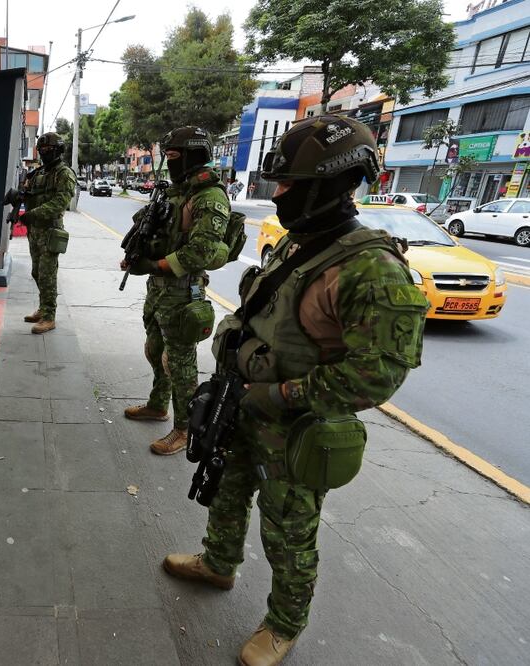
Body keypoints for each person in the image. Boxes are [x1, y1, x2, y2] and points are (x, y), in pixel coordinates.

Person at [162, 115, 428, 665]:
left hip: (298, 425)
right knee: (225, 489)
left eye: (289, 186)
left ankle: (284, 624)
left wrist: (281, 396)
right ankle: (218, 563)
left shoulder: (371, 269)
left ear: (330, 185)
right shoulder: (300, 243)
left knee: (288, 531)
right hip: (245, 401)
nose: (277, 194)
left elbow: (377, 375)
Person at [122, 127, 232, 455]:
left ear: (193, 154)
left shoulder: (209, 197)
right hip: (158, 290)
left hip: (184, 293)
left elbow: (198, 253)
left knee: (180, 363)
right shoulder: (176, 192)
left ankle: (185, 429)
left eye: (173, 157)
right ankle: (158, 405)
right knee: (154, 350)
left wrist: (154, 266)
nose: (168, 163)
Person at [22, 132, 76, 334]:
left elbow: (60, 203)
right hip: (35, 231)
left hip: (51, 231)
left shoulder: (64, 174)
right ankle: (43, 308)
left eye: (48, 150)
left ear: (58, 151)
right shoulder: (38, 173)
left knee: (47, 275)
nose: (45, 153)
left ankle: (49, 316)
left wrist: (33, 214)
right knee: (37, 272)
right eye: (42, 150)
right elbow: (29, 193)